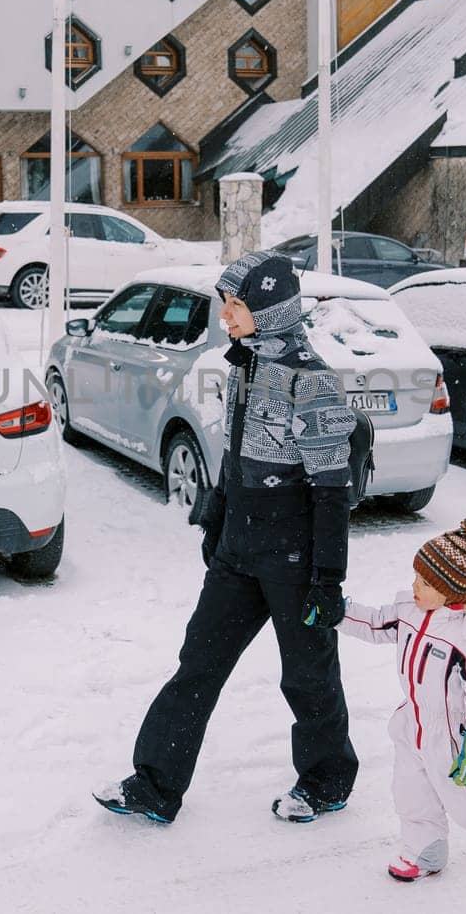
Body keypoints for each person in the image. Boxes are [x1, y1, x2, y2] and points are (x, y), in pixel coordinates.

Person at [95, 250, 359, 825]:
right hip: (239, 552)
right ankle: (155, 786)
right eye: (225, 303)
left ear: (270, 310)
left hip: (294, 559)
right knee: (198, 663)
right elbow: (234, 457)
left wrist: (328, 579)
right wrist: (216, 523)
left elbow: (331, 490)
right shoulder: (244, 365)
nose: (225, 315)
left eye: (235, 305)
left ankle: (327, 779)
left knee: (307, 677)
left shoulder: (311, 381)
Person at [339, 514, 466, 881]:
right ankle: (424, 851)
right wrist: (337, 612)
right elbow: (375, 622)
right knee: (410, 793)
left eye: (425, 582)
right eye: (416, 576)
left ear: (452, 590)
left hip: (452, 738)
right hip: (411, 725)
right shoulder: (410, 612)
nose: (415, 586)